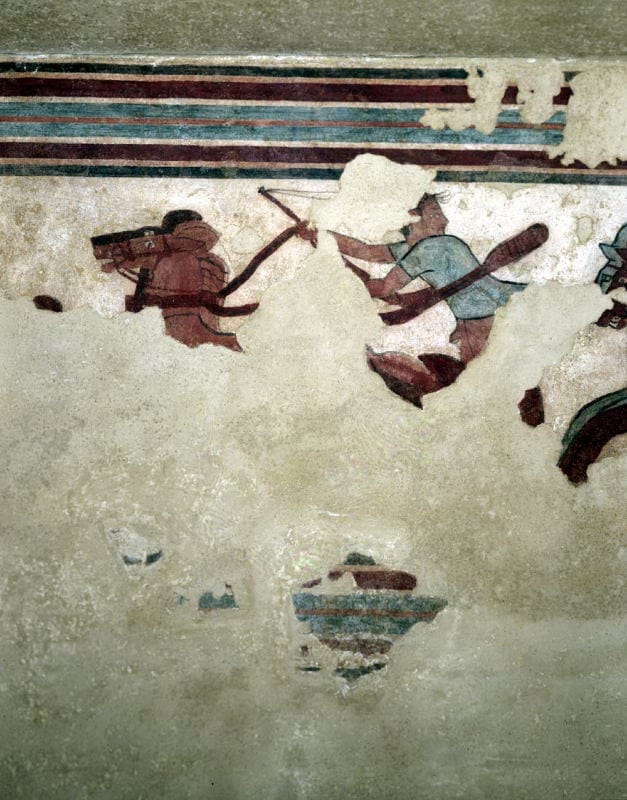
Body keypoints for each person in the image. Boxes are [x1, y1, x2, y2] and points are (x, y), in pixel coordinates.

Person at [332, 193, 528, 406]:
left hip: (501, 313)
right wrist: (322, 238)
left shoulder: (433, 248)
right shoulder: (416, 250)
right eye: (435, 213)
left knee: (469, 386)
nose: (445, 220)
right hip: (492, 314)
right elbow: (366, 252)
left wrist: (339, 265)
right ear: (413, 217)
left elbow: (381, 287)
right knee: (473, 385)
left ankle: (373, 359)